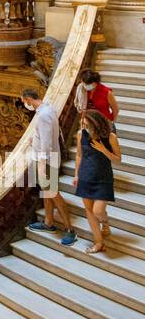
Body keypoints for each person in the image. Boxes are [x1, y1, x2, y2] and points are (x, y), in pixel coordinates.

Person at [23, 88, 76, 244]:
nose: (25, 105)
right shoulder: (48, 108)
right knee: (46, 192)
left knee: (53, 193)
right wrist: (35, 139)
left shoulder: (44, 115)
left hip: (47, 161)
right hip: (50, 158)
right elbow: (48, 135)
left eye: (24, 102)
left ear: (28, 99)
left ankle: (70, 229)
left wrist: (41, 164)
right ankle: (48, 222)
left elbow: (46, 142)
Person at [72, 109, 121, 254]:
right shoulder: (81, 134)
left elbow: (118, 160)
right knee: (89, 211)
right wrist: (76, 175)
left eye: (88, 125)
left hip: (103, 177)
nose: (85, 127)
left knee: (98, 210)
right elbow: (79, 156)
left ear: (96, 124)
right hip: (85, 176)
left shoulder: (110, 137)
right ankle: (99, 242)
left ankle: (105, 222)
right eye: (84, 124)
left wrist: (103, 149)